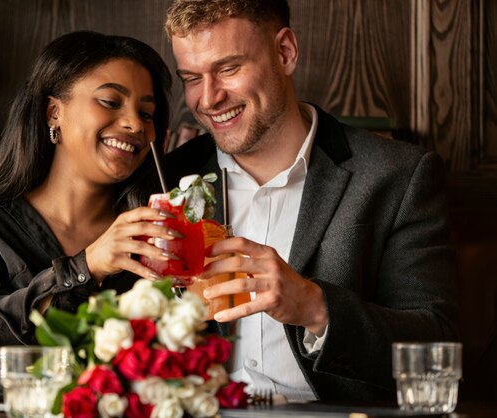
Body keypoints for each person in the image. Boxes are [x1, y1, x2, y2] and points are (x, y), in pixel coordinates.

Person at [161, 0, 458, 402]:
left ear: (285, 52)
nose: (208, 98)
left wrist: (316, 308)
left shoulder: (398, 175)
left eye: (229, 69)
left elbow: (436, 344)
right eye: (191, 77)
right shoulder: (164, 177)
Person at [0, 30, 175, 402]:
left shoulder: (156, 234)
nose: (136, 124)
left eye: (147, 113)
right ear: (54, 112)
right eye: (110, 101)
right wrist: (85, 267)